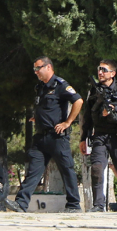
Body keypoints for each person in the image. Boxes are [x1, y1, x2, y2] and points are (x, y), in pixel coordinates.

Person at [6, 56, 83, 213]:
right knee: (33, 170)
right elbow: (46, 108)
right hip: (41, 137)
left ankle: (74, 205)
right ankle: (21, 203)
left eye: (38, 68)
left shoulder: (61, 85)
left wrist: (68, 122)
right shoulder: (40, 87)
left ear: (48, 67)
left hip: (57, 137)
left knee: (66, 169)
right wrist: (39, 117)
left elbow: (78, 101)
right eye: (34, 69)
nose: (36, 72)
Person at [79, 60, 117, 212]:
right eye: (99, 69)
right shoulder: (94, 90)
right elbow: (88, 115)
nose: (100, 72)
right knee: (96, 168)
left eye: (104, 70)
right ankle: (98, 205)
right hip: (100, 135)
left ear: (112, 73)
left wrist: (116, 108)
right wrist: (83, 137)